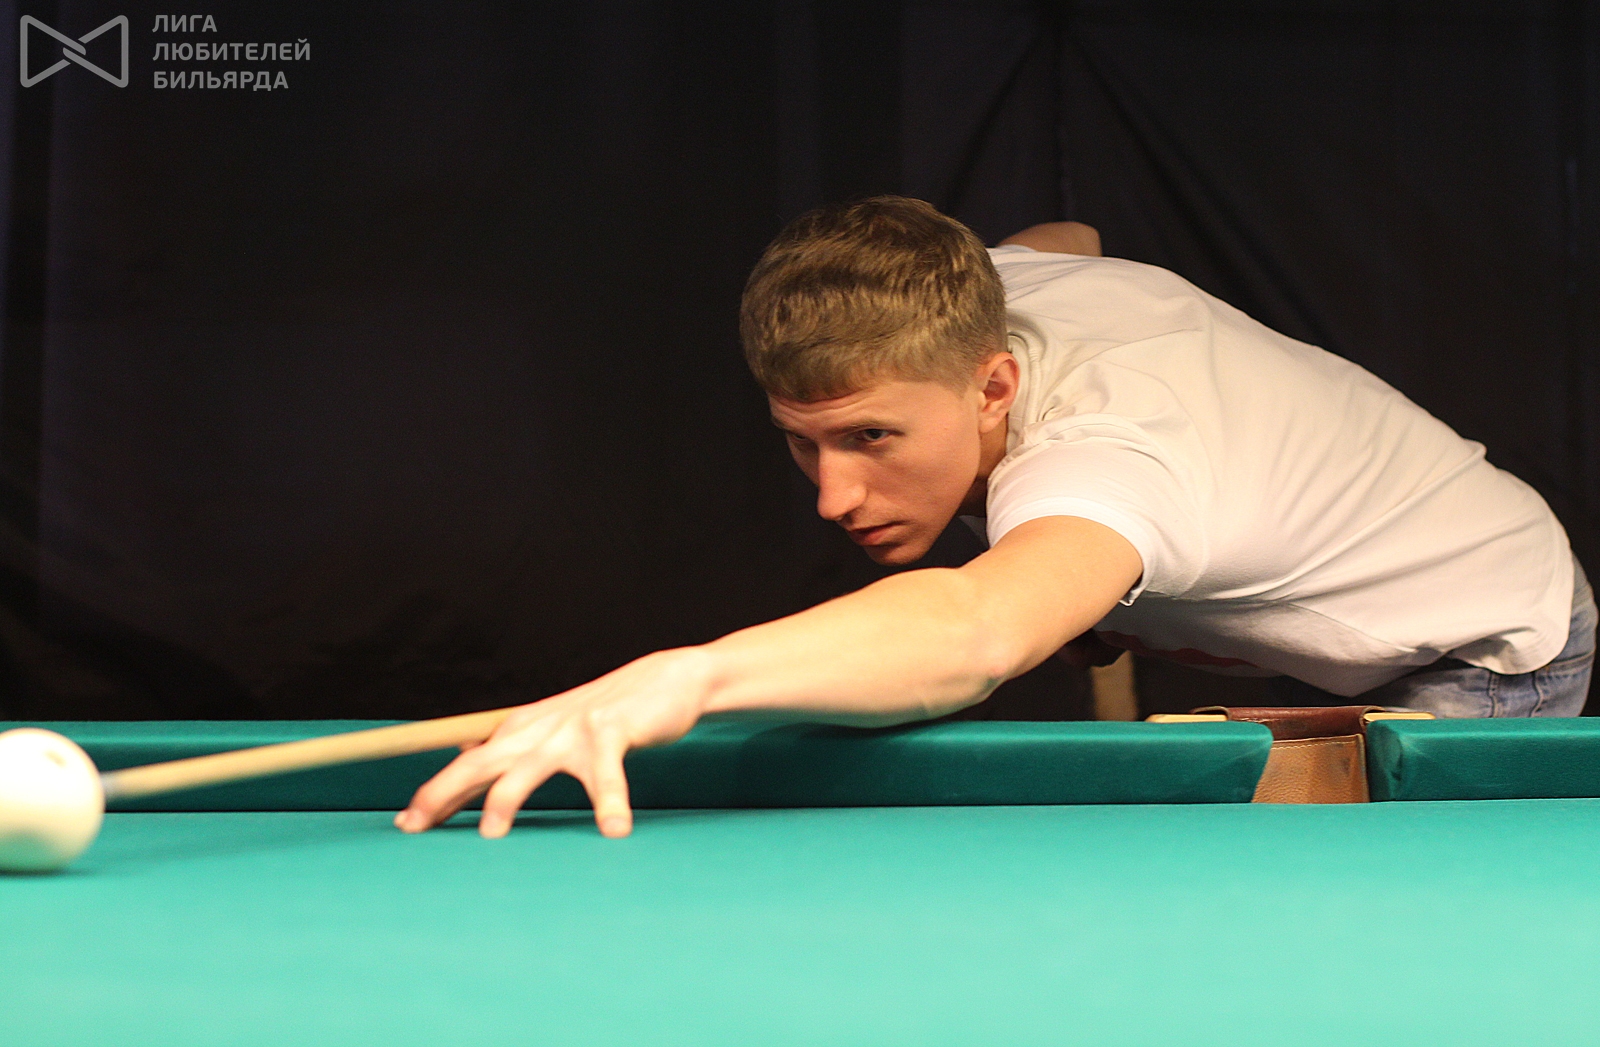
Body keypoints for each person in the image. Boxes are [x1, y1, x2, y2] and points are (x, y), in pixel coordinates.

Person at [396, 196, 1596, 839]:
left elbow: (974, 632)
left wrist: (686, 677)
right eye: (801, 442)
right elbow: (1063, 239)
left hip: (1482, 642)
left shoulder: (1109, 460)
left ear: (993, 386)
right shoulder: (984, 289)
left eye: (872, 439)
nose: (832, 495)